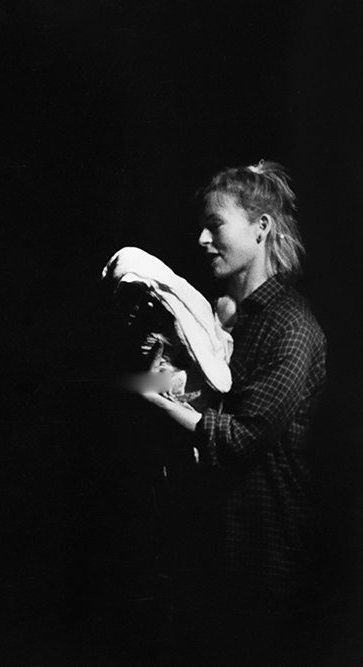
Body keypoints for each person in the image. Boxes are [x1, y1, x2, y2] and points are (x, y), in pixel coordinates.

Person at [139, 160, 326, 664]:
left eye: (215, 224)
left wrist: (155, 401)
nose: (201, 238)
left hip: (262, 566)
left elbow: (243, 438)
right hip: (208, 559)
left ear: (260, 227)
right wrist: (169, 369)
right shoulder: (219, 324)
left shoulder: (291, 327)